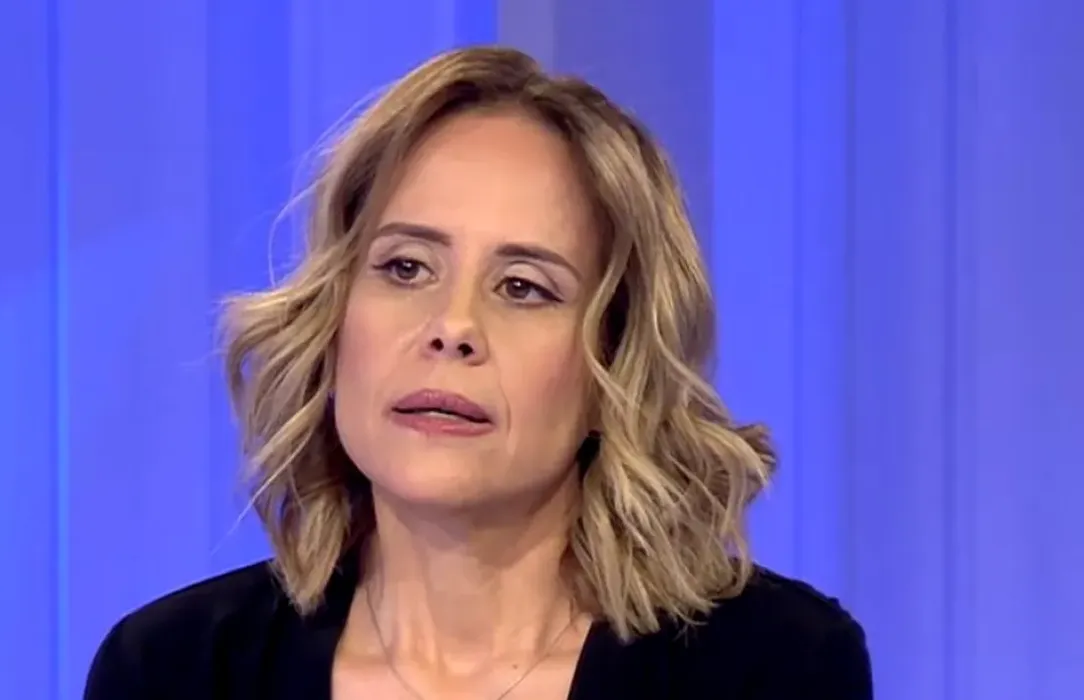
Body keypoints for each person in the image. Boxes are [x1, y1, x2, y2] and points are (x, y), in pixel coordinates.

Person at [84, 46, 873, 699]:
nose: (453, 327)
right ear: (333, 319)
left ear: (615, 362)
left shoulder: (771, 667)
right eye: (405, 267)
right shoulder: (175, 671)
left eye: (523, 287)